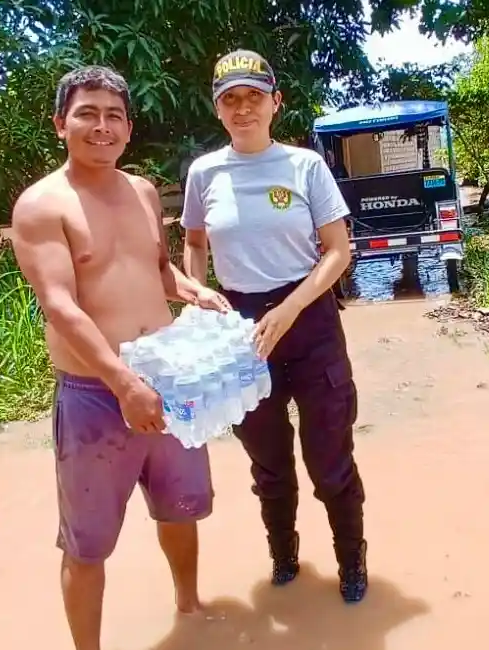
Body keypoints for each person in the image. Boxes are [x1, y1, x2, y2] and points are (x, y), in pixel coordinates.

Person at [8, 65, 230, 650]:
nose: (101, 127)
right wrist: (124, 383)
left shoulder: (144, 191)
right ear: (61, 124)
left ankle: (189, 608)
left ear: (128, 128)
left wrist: (191, 288)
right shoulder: (40, 205)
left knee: (181, 510)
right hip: (95, 396)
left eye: (113, 116)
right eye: (87, 113)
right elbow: (60, 305)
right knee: (86, 544)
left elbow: (155, 268)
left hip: (169, 379)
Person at [181, 50, 368, 603]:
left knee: (329, 459)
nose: (243, 109)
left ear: (275, 102)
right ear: (217, 110)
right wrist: (198, 296)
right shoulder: (204, 173)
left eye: (253, 97)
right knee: (268, 461)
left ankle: (351, 563)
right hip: (241, 331)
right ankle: (283, 556)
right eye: (230, 100)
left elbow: (338, 251)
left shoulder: (305, 166)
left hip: (309, 320)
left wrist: (290, 308)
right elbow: (194, 243)